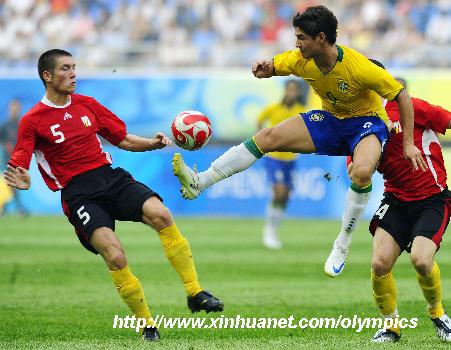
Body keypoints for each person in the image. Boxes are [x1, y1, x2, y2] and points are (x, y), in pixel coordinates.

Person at [3, 49, 223, 341]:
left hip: (110, 177)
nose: (73, 74)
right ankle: (147, 326)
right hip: (79, 195)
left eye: (74, 67)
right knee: (115, 254)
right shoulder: (33, 120)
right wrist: (23, 177)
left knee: (161, 214)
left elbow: (123, 139)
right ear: (47, 76)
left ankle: (195, 292)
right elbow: (20, 160)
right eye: (65, 68)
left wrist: (154, 144)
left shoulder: (88, 104)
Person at [172, 5, 425, 247]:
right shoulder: (300, 59)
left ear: (321, 38)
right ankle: (200, 181)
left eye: (302, 37)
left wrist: (409, 144)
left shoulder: (359, 67)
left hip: (366, 123)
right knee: (267, 136)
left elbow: (401, 95)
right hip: (332, 120)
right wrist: (265, 69)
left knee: (360, 173)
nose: (297, 43)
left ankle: (343, 241)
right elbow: (275, 64)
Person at [364, 76, 451, 342]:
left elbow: (447, 119)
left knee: (422, 260)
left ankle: (438, 316)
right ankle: (391, 327)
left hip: (432, 199)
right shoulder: (359, 124)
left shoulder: (412, 107)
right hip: (395, 200)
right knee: (379, 264)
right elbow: (356, 169)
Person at [257, 79, 307, 249]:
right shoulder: (273, 109)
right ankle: (269, 230)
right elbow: (259, 121)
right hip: (274, 158)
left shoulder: (301, 112)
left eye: (295, 90)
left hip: (291, 160)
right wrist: (262, 142)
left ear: (298, 92)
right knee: (279, 191)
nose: (291, 93)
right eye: (289, 89)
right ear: (285, 90)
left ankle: (275, 228)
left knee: (285, 196)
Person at [0, 99, 28, 215]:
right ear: (9, 109)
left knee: (14, 184)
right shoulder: (5, 126)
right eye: (13, 107)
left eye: (16, 107)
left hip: (20, 160)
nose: (14, 109)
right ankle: (18, 209)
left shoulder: (23, 124)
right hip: (7, 160)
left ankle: (6, 208)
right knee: (10, 183)